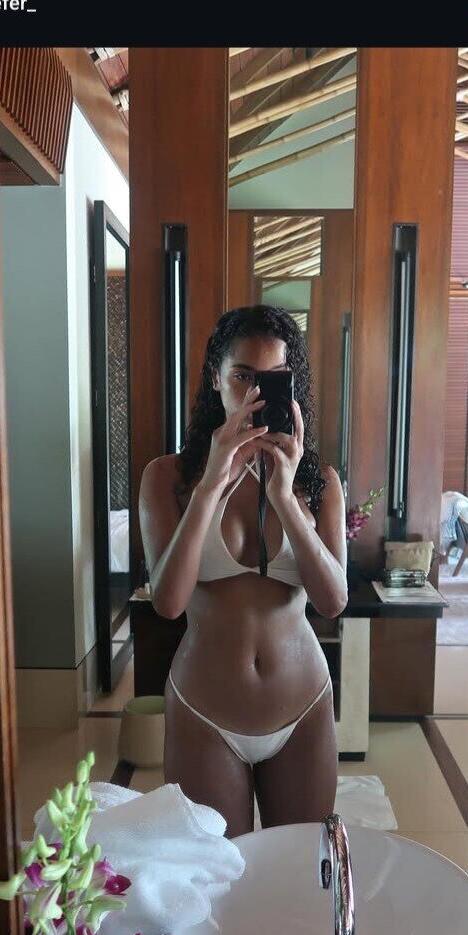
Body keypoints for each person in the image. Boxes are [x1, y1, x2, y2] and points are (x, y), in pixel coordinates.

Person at [139, 305, 347, 837]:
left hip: (303, 704)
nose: (256, 393)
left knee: (297, 867)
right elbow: (168, 602)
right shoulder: (168, 477)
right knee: (217, 872)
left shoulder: (319, 482)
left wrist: (284, 496)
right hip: (204, 710)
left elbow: (332, 601)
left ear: (291, 387)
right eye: (242, 376)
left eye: (273, 379)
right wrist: (211, 484)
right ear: (216, 377)